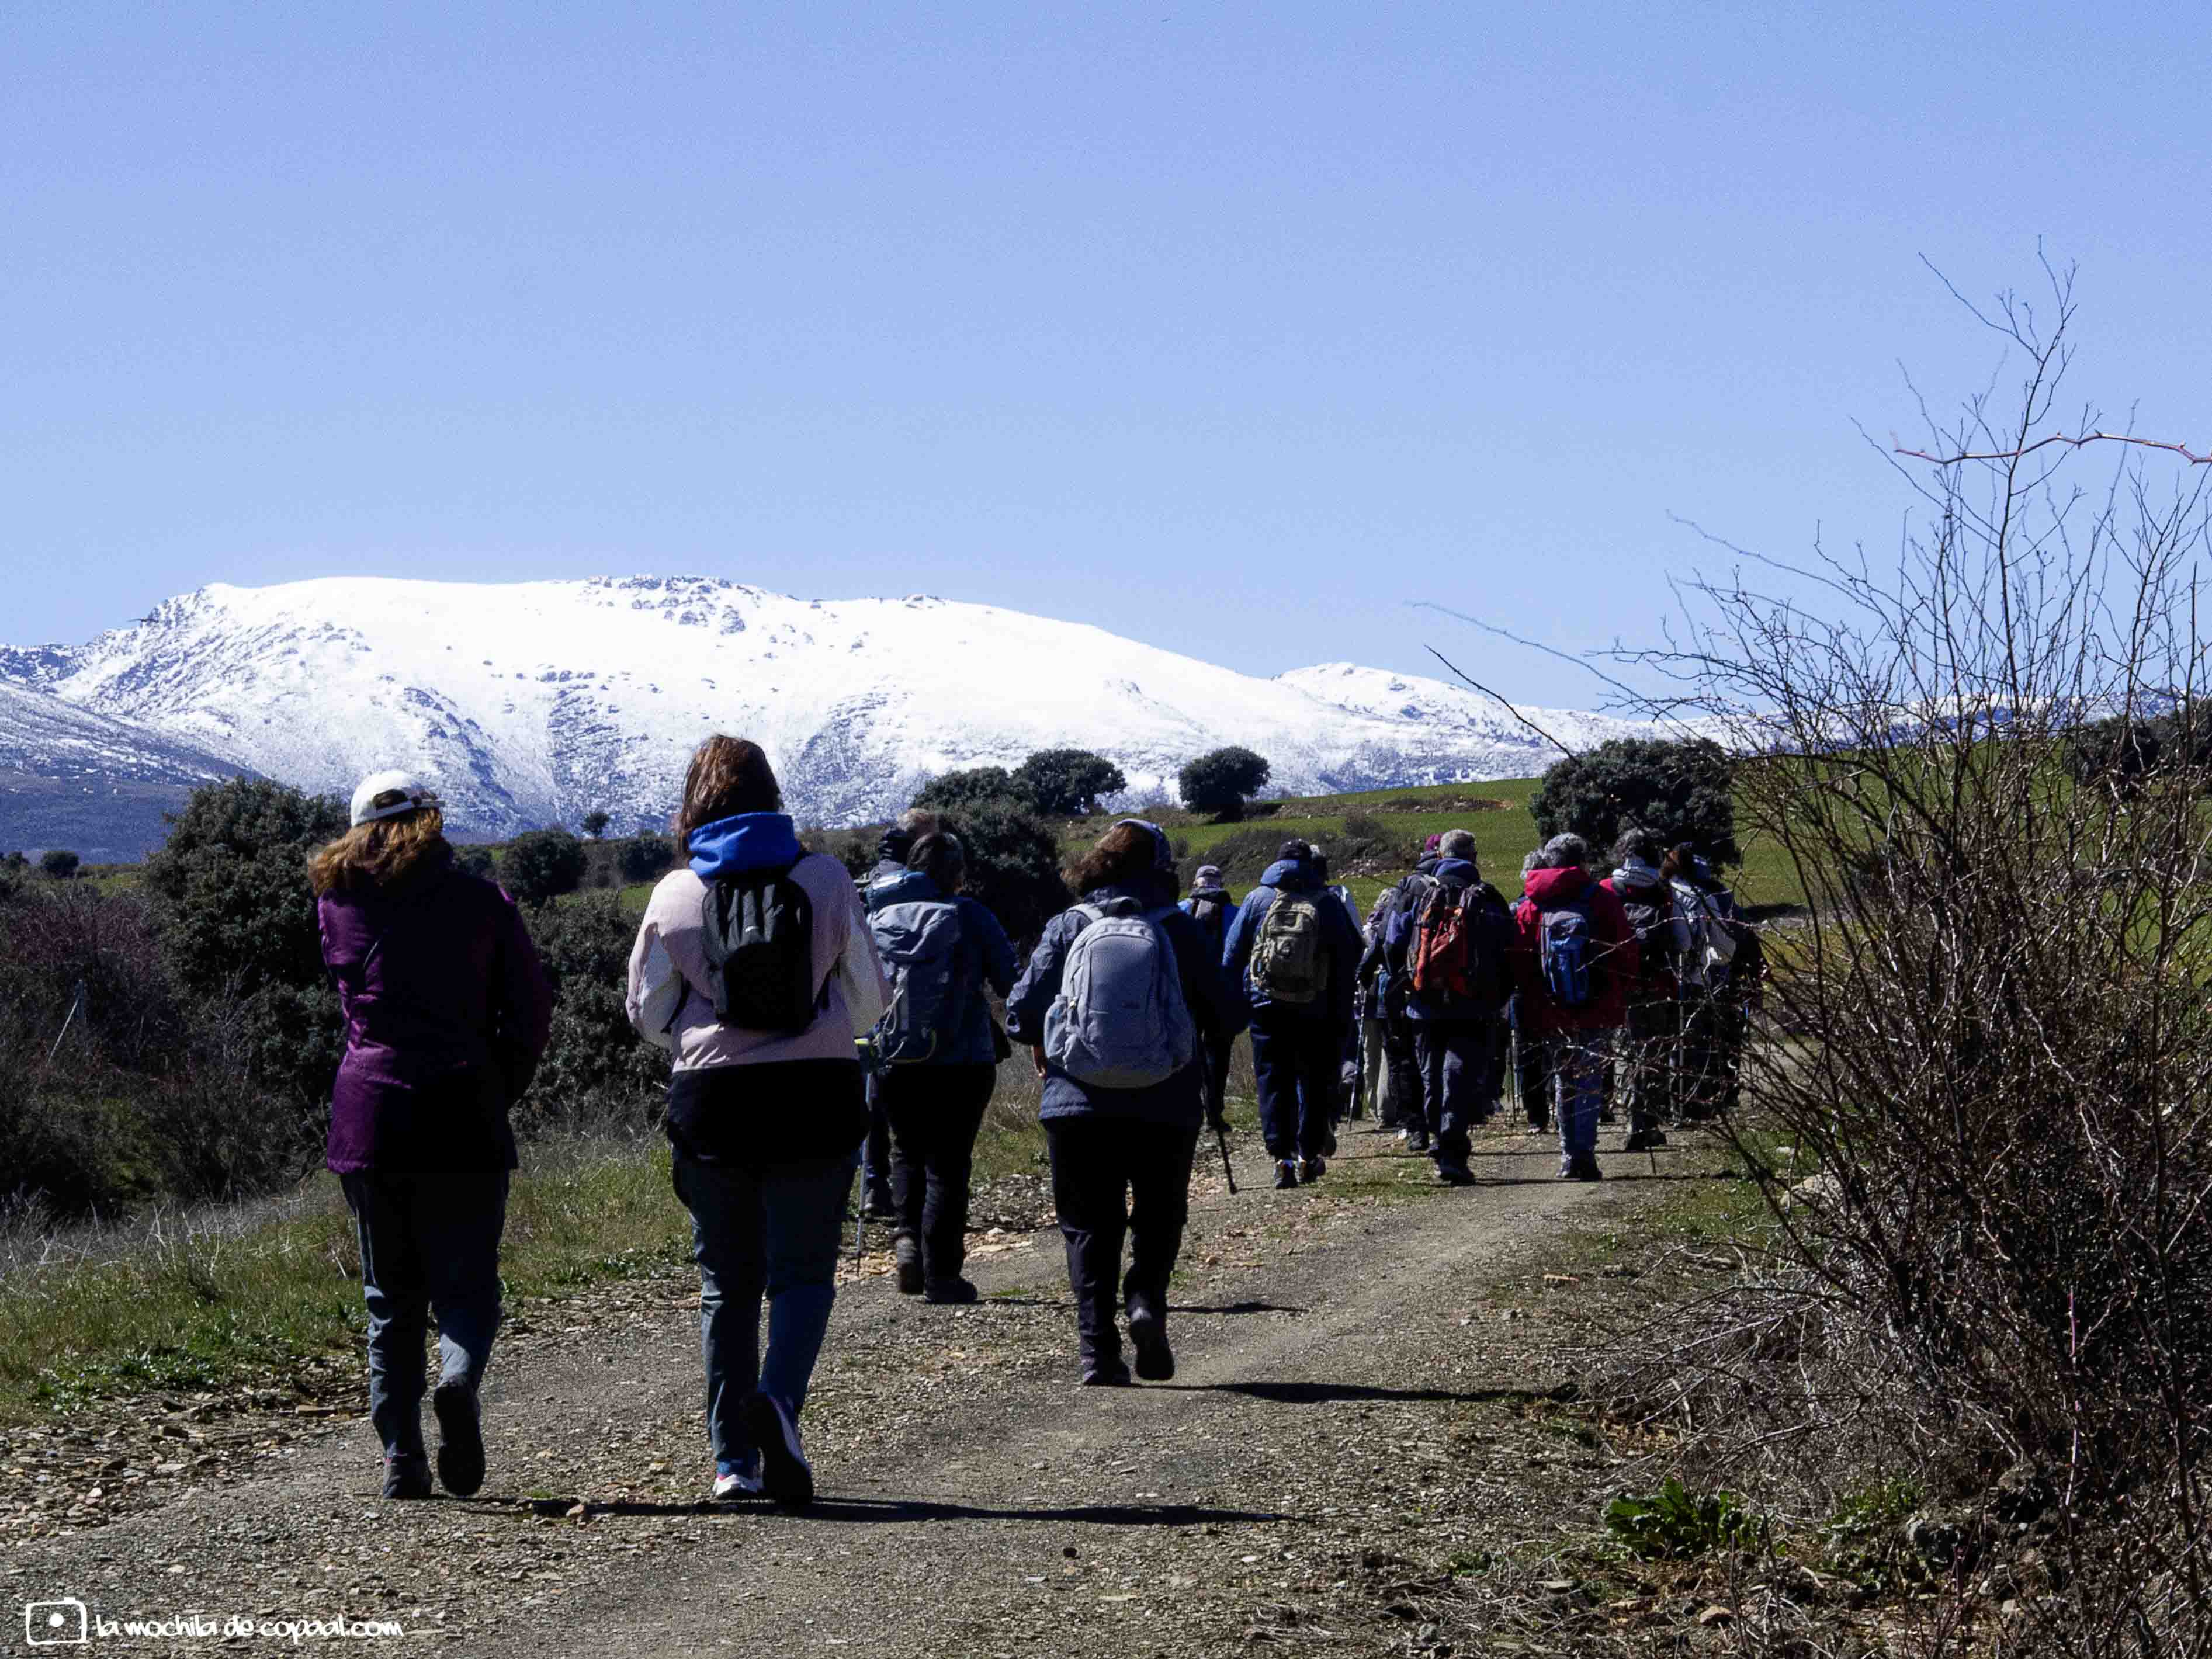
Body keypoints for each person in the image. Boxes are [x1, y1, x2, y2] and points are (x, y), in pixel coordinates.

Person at [626, 735, 890, 1507]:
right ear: (774, 796)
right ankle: (778, 1397)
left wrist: (702, 1025)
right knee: (804, 1273)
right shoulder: (826, 877)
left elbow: (647, 1014)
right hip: (817, 1091)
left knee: (727, 1286)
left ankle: (732, 1463)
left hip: (715, 1103)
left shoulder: (676, 893)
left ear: (693, 804)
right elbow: (872, 999)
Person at [313, 770, 552, 1501]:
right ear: (433, 820)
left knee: (391, 1294)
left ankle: (401, 1458)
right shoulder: (484, 902)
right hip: (464, 1109)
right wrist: (498, 1084)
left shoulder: (336, 904)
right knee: (468, 1284)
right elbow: (532, 1008)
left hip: (371, 1117)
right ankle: (457, 1377)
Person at [1005, 820, 1246, 1386]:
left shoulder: (1070, 925)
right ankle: (1144, 1299)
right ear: (1163, 869)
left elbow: (1018, 1013)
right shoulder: (1179, 929)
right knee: (1160, 1215)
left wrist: (1054, 1029)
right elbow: (1230, 1012)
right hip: (1167, 1101)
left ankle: (1097, 1352)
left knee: (1089, 1225)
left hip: (1076, 1104)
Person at [866, 831, 1017, 1303]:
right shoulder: (971, 915)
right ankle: (943, 1275)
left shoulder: (878, 918)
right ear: (956, 873)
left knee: (906, 1150)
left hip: (895, 1056)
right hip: (963, 1058)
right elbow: (1010, 978)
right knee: (949, 1164)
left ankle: (906, 1239)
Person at [1221, 839, 1362, 1189]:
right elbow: (1350, 956)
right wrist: (1341, 1010)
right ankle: (1307, 1157)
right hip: (1317, 1008)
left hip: (1266, 1007)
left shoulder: (1257, 899)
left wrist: (1239, 1002)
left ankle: (1280, 1160)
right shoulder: (1327, 902)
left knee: (1273, 1081)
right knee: (1315, 1082)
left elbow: (1231, 957)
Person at [1384, 829, 1514, 1185]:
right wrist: (1498, 999)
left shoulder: (1416, 893)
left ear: (1440, 856)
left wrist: (1408, 982)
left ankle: (1438, 1140)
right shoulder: (1488, 896)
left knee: (1430, 1073)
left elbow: (1393, 942)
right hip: (1473, 1004)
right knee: (1458, 1072)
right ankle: (1452, 1149)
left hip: (1423, 1002)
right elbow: (1509, 952)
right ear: (1473, 857)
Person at [1509, 832, 1636, 1181]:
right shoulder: (1602, 899)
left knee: (1564, 1078)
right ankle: (1586, 1154)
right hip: (1596, 1005)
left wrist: (1536, 1000)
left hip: (1551, 1009)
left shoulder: (1532, 904)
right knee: (1590, 1079)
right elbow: (1625, 950)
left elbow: (1521, 962)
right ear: (1582, 861)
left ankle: (1569, 1156)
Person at [855, 808, 942, 1218]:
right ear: (920, 839)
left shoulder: (875, 877)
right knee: (915, 1104)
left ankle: (875, 1186)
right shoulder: (922, 878)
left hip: (873, 999)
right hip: (916, 1003)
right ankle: (916, 1190)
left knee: (874, 1095)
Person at [1602, 829, 1691, 1154]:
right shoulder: (1663, 890)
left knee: (1624, 1049)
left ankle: (1629, 1114)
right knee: (1652, 1051)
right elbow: (1683, 941)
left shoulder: (1606, 890)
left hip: (1617, 984)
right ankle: (1645, 1121)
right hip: (1656, 982)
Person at [1180, 865, 1239, 1132]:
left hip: (1186, 996)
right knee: (1218, 1055)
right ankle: (1214, 1112)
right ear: (1221, 884)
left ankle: (1189, 1110)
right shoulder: (1233, 913)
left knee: (1188, 1054)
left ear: (1196, 883)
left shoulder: (1181, 911)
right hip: (1221, 994)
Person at [1507, 849, 1554, 1133]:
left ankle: (1537, 1116)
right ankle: (1562, 1107)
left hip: (1524, 990)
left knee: (1528, 1056)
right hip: (1561, 988)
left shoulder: (1517, 908)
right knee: (1560, 1051)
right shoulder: (1565, 906)